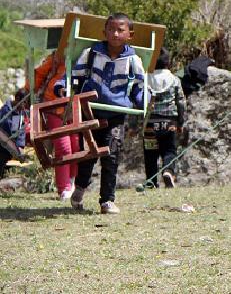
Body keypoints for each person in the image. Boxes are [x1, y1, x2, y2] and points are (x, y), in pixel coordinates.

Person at [55, 13, 145, 214]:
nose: (115, 33)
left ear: (130, 34)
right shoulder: (91, 52)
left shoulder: (133, 59)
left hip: (116, 114)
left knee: (112, 155)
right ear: (104, 32)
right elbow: (73, 75)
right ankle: (79, 188)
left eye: (120, 30)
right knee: (89, 154)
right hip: (90, 111)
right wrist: (63, 87)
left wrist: (143, 100)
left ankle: (107, 201)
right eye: (111, 29)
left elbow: (139, 86)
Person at [27, 49, 80, 200]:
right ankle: (64, 189)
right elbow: (39, 74)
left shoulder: (89, 55)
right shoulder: (56, 57)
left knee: (76, 146)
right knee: (63, 147)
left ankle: (72, 182)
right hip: (53, 107)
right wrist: (26, 90)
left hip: (75, 108)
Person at [143, 47, 185, 188]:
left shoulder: (145, 79)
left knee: (150, 154)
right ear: (168, 63)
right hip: (169, 123)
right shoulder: (174, 80)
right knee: (169, 151)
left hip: (150, 124)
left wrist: (132, 125)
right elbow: (181, 102)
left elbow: (138, 103)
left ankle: (151, 182)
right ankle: (168, 171)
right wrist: (180, 122)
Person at [0, 90, 28, 179]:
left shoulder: (20, 113)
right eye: (23, 103)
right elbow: (6, 127)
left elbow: (21, 130)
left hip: (8, 148)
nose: (24, 106)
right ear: (17, 99)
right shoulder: (5, 110)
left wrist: (20, 147)